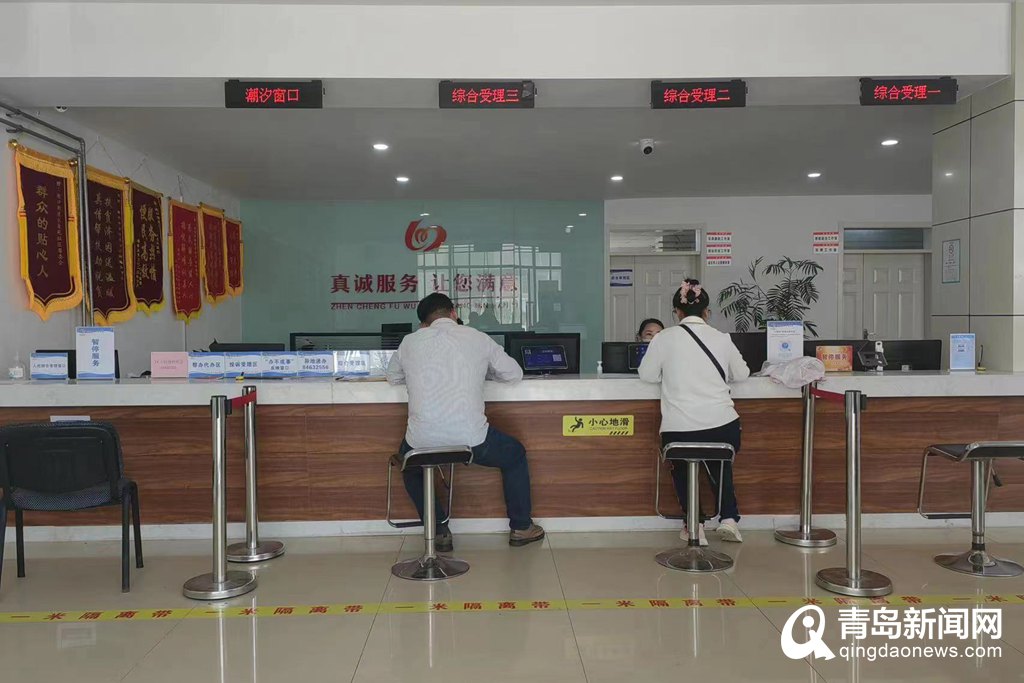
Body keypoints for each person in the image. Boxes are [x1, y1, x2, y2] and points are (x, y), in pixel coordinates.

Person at [387, 293, 545, 551]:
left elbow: (393, 377)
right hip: (473, 442)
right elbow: (514, 373)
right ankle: (521, 527)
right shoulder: (477, 337)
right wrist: (483, 372)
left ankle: (439, 531)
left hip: (421, 443)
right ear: (453, 313)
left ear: (423, 323)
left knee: (410, 464)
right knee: (515, 454)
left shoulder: (409, 342)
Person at [638, 278, 750, 545]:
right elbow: (742, 374)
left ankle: (694, 524)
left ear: (677, 312)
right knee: (720, 465)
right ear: (706, 312)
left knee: (681, 466)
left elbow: (647, 375)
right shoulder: (722, 339)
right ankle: (729, 519)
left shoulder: (664, 338)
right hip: (723, 425)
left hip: (680, 428)